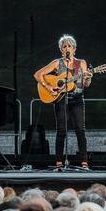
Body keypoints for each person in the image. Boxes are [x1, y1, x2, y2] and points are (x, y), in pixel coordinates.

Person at [34, 34, 93, 168]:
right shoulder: (57, 63)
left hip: (77, 100)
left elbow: (86, 84)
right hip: (61, 99)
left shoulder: (81, 63)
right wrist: (48, 86)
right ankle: (59, 162)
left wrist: (89, 77)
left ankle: (84, 162)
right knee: (61, 131)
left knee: (80, 130)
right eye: (64, 46)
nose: (67, 48)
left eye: (69, 46)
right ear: (61, 50)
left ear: (74, 48)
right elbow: (38, 75)